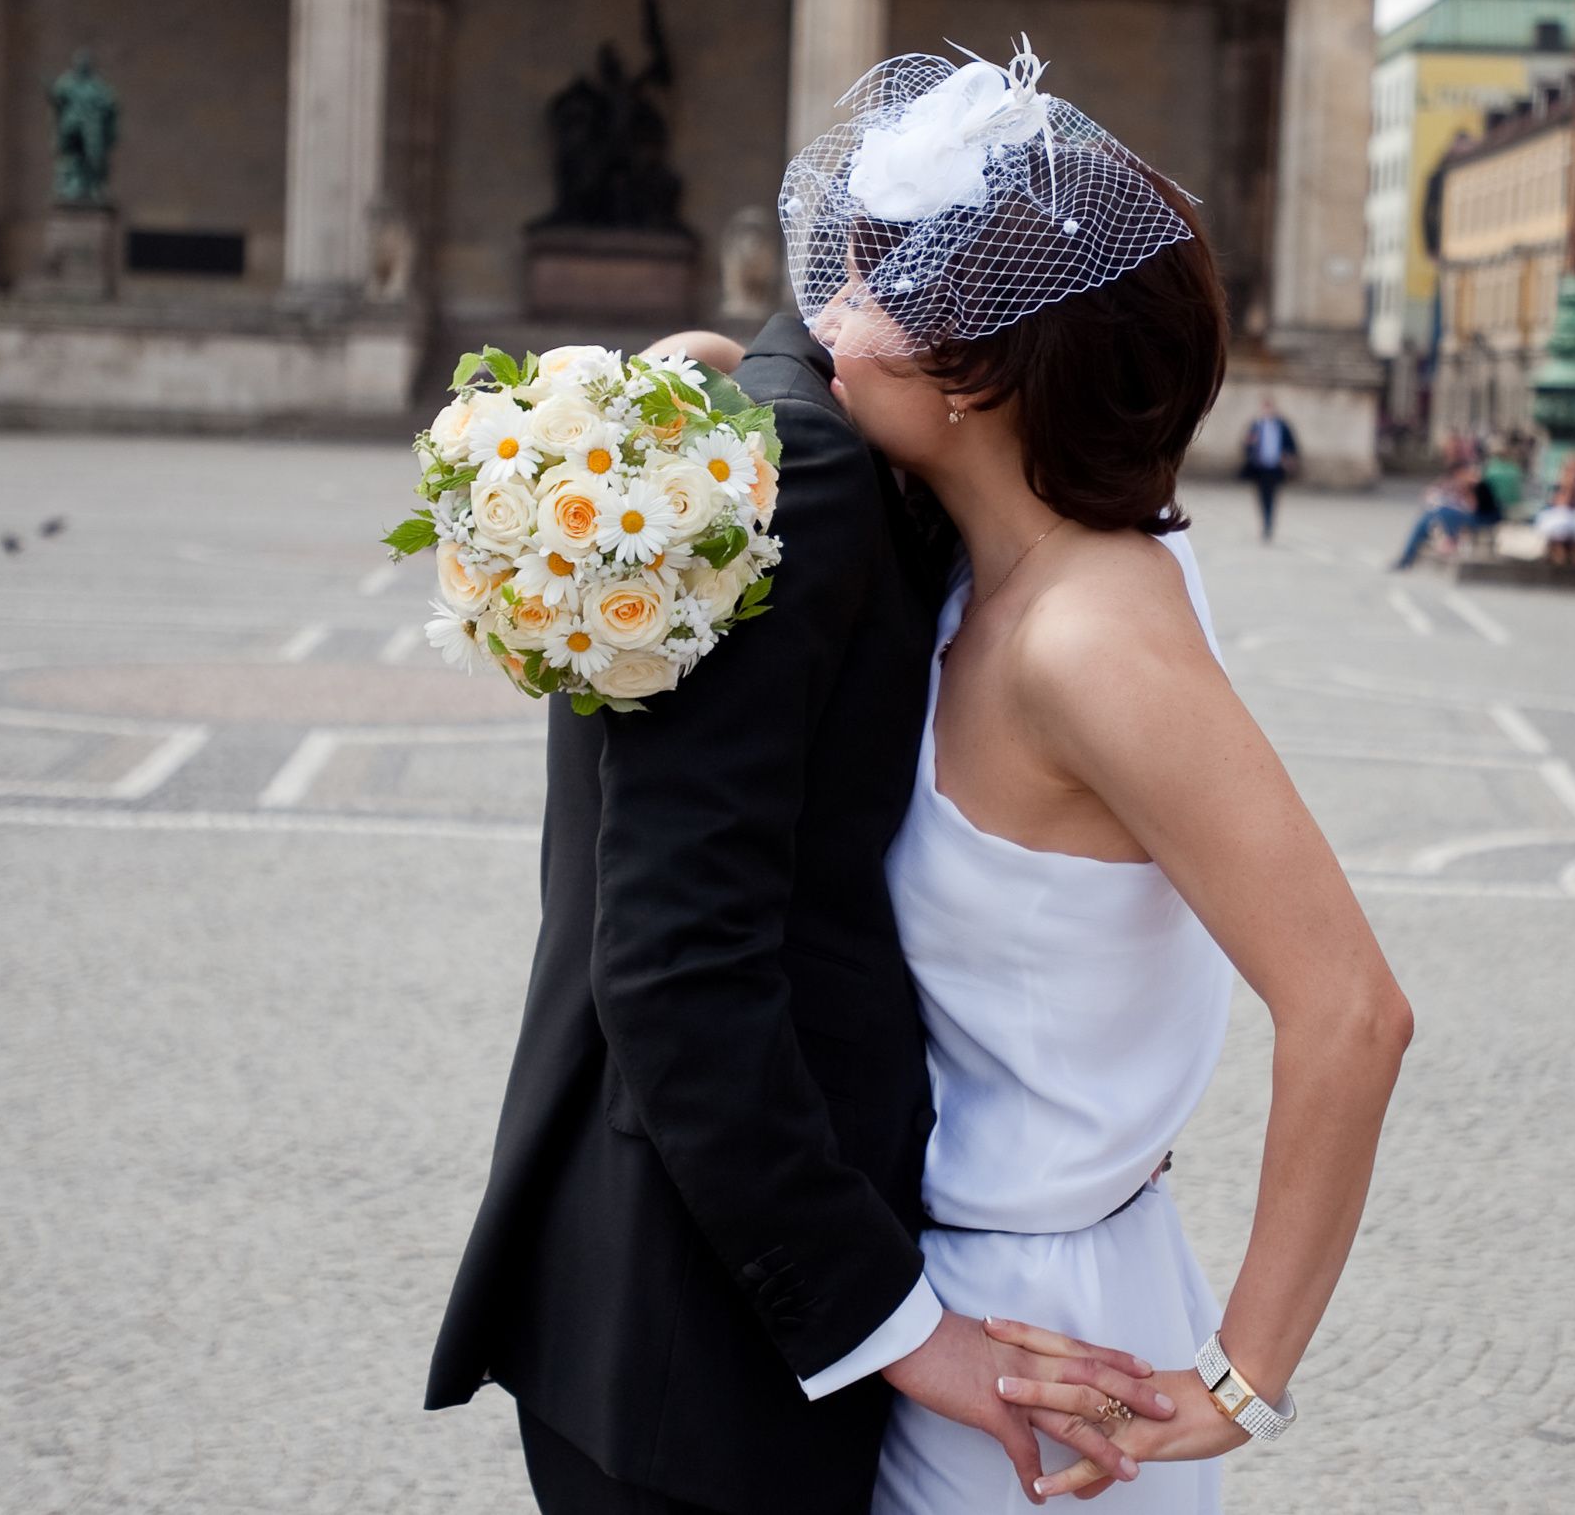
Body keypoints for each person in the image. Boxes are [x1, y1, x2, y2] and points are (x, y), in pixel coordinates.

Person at [427, 89, 1186, 1513]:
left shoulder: (745, 429)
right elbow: (675, 960)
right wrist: (898, 1331)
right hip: (709, 1340)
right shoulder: (809, 478)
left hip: (654, 1293)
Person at [791, 43, 1413, 1510]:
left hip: (1042, 1329)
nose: (828, 314)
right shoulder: (1014, 560)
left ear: (980, 369)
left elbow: (1353, 1011)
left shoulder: (1089, 641)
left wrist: (1243, 1373)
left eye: (877, 289)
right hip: (984, 1282)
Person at [1392, 463, 1494, 569]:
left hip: (1476, 518)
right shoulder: (1449, 484)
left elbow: (1472, 508)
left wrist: (1465, 491)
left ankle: (1450, 540)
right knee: (1426, 519)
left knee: (1441, 512)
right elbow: (1427, 497)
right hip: (1452, 515)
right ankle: (1407, 557)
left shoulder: (1476, 486)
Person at [1238, 395, 1298, 540]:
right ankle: (1265, 520)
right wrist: (1250, 443)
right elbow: (1245, 446)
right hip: (1260, 467)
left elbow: (1292, 446)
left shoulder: (1282, 426)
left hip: (1275, 467)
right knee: (1261, 496)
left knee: (1271, 496)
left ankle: (1268, 524)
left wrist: (1287, 457)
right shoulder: (1256, 425)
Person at [1531, 454, 1575, 565]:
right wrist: (1567, 487)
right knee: (1555, 526)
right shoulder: (1561, 483)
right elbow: (1559, 504)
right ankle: (1557, 556)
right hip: (1563, 517)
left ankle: (1570, 557)